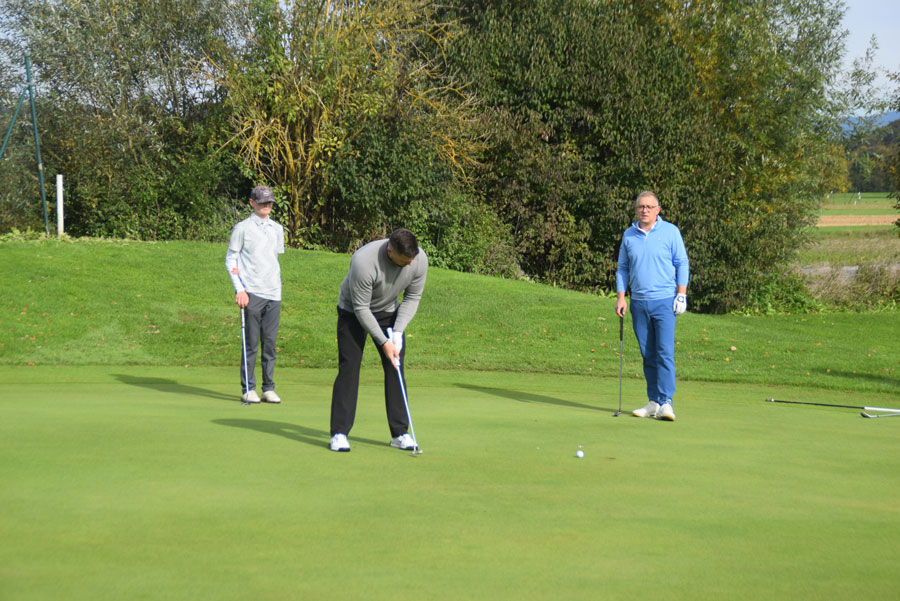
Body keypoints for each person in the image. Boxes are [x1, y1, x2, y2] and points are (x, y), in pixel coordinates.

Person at [329, 228, 428, 452]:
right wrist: (384, 343)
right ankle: (339, 433)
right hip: (353, 312)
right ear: (390, 251)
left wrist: (397, 332)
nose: (410, 264)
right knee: (349, 368)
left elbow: (413, 297)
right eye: (405, 261)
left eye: (412, 259)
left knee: (395, 366)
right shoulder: (364, 261)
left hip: (388, 311)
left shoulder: (419, 259)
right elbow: (361, 309)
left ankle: (400, 433)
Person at [615, 191, 689, 421]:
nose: (644, 210)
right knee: (647, 354)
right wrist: (621, 297)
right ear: (636, 209)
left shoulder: (670, 232)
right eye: (640, 206)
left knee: (664, 352)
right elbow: (622, 268)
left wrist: (681, 294)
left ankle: (667, 402)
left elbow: (682, 262)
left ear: (658, 210)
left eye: (649, 207)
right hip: (638, 302)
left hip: (664, 301)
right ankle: (654, 401)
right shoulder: (629, 234)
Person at [225, 185, 285, 404]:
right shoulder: (242, 228)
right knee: (251, 344)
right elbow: (231, 259)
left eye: (269, 202)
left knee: (269, 344)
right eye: (262, 202)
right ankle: (248, 388)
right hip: (251, 292)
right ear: (252, 203)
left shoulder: (277, 229)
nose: (266, 205)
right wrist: (239, 288)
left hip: (274, 293)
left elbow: (273, 258)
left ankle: (268, 388)